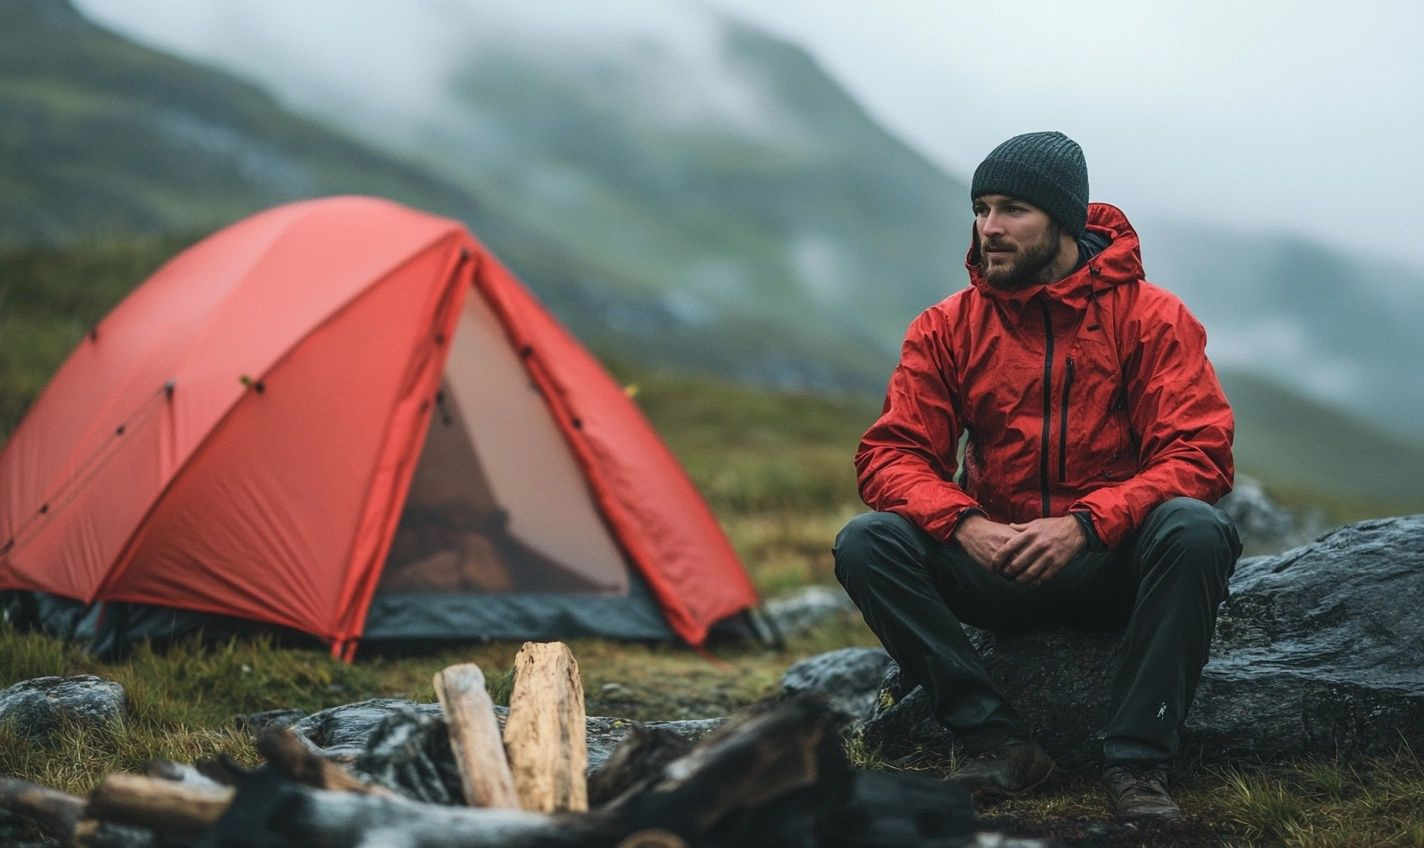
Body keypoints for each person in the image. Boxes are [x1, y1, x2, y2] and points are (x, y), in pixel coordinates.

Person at [833, 131, 1241, 822]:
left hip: (1107, 566)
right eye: (981, 207)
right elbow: (892, 454)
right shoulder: (946, 328)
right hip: (999, 566)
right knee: (868, 542)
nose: (989, 228)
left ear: (1065, 220)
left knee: (1196, 529)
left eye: (1012, 209)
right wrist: (965, 524)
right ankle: (995, 741)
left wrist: (1086, 526)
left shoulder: (1152, 319)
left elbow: (1199, 453)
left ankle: (1138, 766)